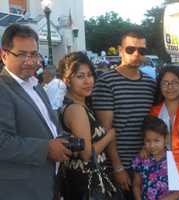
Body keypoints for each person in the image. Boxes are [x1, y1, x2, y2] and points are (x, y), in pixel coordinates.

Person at [0, 24, 71, 200]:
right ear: (4, 55)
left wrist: (62, 139)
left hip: (46, 183)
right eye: (22, 54)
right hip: (20, 190)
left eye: (34, 54)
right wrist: (46, 149)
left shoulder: (36, 85)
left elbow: (49, 125)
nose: (30, 61)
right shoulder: (2, 88)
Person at [92, 30, 156, 199]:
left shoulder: (150, 84)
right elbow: (106, 130)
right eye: (130, 49)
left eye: (141, 50)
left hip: (145, 163)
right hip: (118, 166)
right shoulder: (106, 81)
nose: (136, 54)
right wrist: (117, 167)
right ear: (120, 50)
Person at [57, 51, 117, 200]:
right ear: (67, 80)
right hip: (86, 183)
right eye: (80, 76)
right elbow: (87, 154)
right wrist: (110, 135)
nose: (87, 81)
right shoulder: (76, 110)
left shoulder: (77, 104)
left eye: (89, 75)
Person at [150, 66, 179, 200]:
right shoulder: (154, 113)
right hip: (161, 174)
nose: (170, 87)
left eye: (174, 82)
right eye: (165, 83)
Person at [132, 115, 179, 200]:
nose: (152, 146)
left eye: (156, 140)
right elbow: (136, 185)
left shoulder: (175, 159)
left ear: (166, 138)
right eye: (148, 141)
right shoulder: (141, 159)